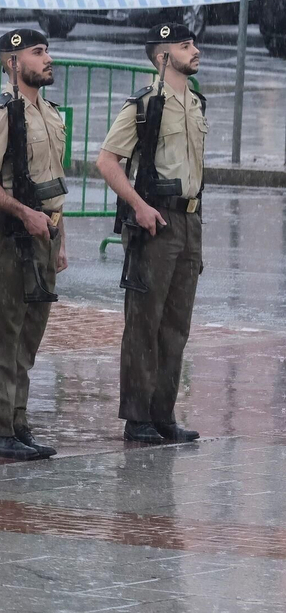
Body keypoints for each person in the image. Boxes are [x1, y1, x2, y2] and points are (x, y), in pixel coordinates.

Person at [97, 22, 205, 446]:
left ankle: (163, 415)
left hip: (189, 220)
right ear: (162, 57)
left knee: (177, 324)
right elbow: (107, 161)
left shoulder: (196, 102)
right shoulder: (143, 105)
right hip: (154, 220)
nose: (194, 50)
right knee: (145, 322)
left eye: (193, 43)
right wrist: (139, 207)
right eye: (184, 45)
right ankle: (137, 417)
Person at [0, 27, 67, 461]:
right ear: (12, 63)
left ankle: (17, 420)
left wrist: (61, 239)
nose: (47, 59)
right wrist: (23, 212)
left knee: (28, 336)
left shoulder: (51, 113)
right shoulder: (1, 115)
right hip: (8, 234)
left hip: (44, 233)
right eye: (37, 52)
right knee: (1, 336)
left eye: (47, 50)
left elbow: (54, 184)